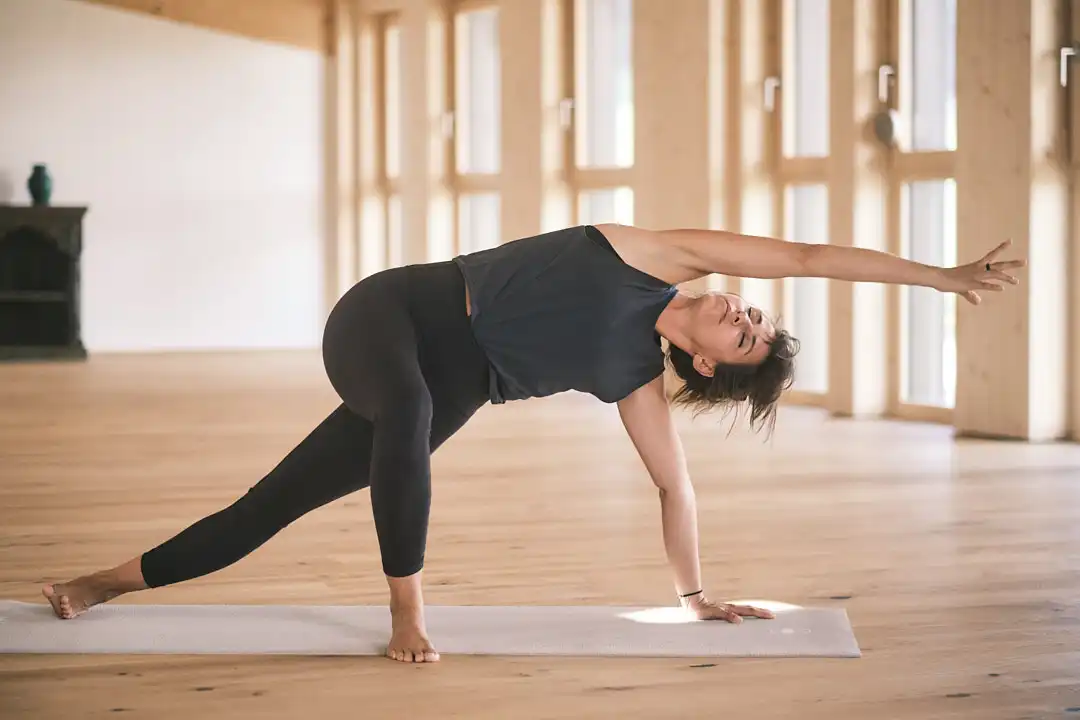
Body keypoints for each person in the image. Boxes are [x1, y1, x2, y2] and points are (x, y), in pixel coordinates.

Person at [41, 223, 1024, 663]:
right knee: (411, 425)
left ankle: (96, 584)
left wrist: (692, 596)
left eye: (746, 332)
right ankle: (407, 616)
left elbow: (677, 492)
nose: (741, 309)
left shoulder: (632, 381)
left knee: (272, 506)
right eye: (754, 312)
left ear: (715, 367)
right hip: (390, 313)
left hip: (447, 386)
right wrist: (936, 275)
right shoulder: (657, 253)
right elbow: (810, 255)